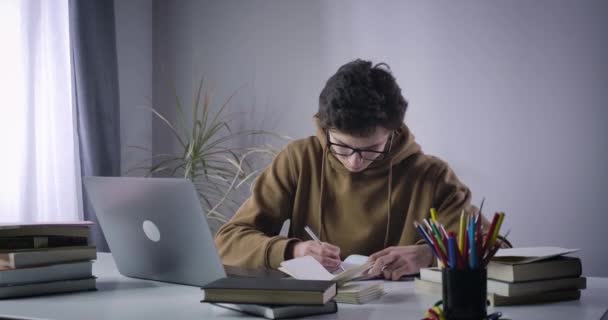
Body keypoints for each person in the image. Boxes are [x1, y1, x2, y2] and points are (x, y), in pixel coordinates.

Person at [215, 59, 501, 280]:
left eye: (370, 148)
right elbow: (228, 242)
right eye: (341, 146)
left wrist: (429, 254)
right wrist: (293, 251)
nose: (354, 162)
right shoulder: (299, 160)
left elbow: (499, 251)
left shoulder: (432, 176)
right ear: (324, 128)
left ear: (392, 132)